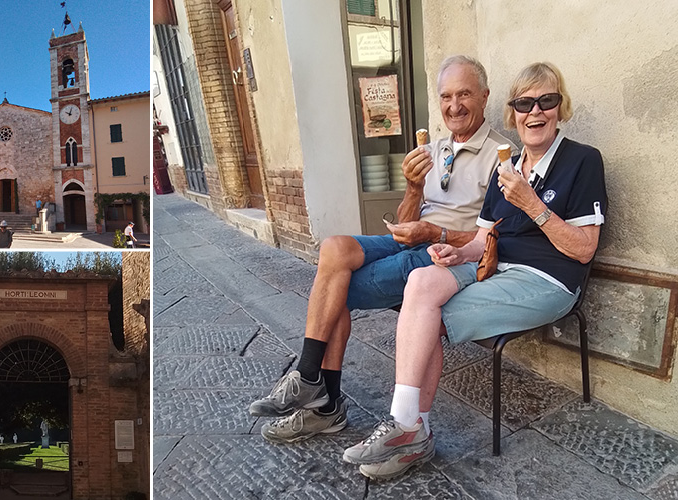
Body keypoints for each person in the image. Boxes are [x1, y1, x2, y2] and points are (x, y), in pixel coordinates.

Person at [345, 62, 607, 480]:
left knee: (426, 316)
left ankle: (409, 429)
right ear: (512, 112)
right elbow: (481, 242)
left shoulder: (582, 161)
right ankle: (408, 426)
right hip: (496, 266)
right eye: (524, 103)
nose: (535, 112)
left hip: (548, 280)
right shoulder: (509, 168)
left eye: (547, 101)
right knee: (422, 280)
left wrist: (533, 205)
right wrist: (457, 252)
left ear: (561, 108)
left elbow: (583, 250)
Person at [250, 55, 517, 443]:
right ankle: (309, 379)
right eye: (446, 96)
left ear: (485, 96)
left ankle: (323, 404)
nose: (454, 106)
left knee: (333, 291)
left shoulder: (503, 155)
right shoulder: (435, 148)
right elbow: (406, 218)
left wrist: (433, 231)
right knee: (335, 250)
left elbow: (495, 237)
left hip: (442, 254)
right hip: (415, 241)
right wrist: (411, 188)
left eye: (464, 94)